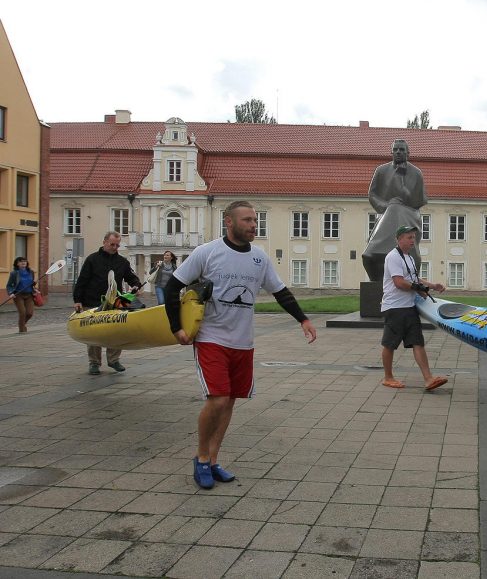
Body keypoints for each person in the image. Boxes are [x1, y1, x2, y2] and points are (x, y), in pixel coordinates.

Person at [163, 200, 317, 490]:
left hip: (243, 342)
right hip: (211, 338)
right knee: (218, 399)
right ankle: (201, 457)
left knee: (230, 401)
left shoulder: (259, 258)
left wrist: (303, 319)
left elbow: (280, 292)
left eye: (255, 220)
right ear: (229, 222)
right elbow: (173, 287)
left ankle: (213, 460)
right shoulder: (206, 253)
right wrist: (177, 328)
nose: (252, 225)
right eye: (246, 220)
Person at [379, 224, 448, 391]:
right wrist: (420, 289)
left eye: (414, 237)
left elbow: (414, 279)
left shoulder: (408, 257)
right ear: (399, 239)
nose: (413, 240)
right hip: (395, 307)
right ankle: (388, 377)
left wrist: (432, 285)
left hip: (409, 306)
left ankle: (429, 379)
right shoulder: (393, 257)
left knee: (418, 342)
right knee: (390, 344)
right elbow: (399, 282)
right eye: (409, 237)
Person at [73, 231, 142, 375]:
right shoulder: (92, 259)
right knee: (93, 334)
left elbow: (131, 277)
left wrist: (136, 285)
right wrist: (77, 300)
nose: (115, 247)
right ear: (104, 242)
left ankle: (114, 360)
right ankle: (94, 363)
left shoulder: (122, 262)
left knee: (117, 331)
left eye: (117, 245)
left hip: (115, 302)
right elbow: (82, 281)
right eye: (112, 244)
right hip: (92, 300)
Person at [361, 139, 427, 281]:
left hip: (409, 214)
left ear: (408, 153)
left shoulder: (416, 173)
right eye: (395, 149)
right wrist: (386, 205)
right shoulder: (381, 170)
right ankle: (375, 257)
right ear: (391, 152)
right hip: (385, 213)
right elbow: (372, 194)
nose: (398, 152)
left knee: (397, 209)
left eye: (401, 150)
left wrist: (402, 185)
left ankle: (381, 249)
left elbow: (419, 201)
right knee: (393, 209)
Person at [6, 257, 36, 333]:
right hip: (18, 295)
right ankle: (22, 331)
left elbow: (32, 283)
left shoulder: (31, 272)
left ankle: (22, 324)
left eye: (25, 261)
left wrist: (34, 284)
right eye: (21, 261)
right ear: (17, 264)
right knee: (22, 312)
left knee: (29, 313)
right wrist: (11, 293)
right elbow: (9, 285)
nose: (23, 263)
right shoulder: (14, 273)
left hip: (29, 295)